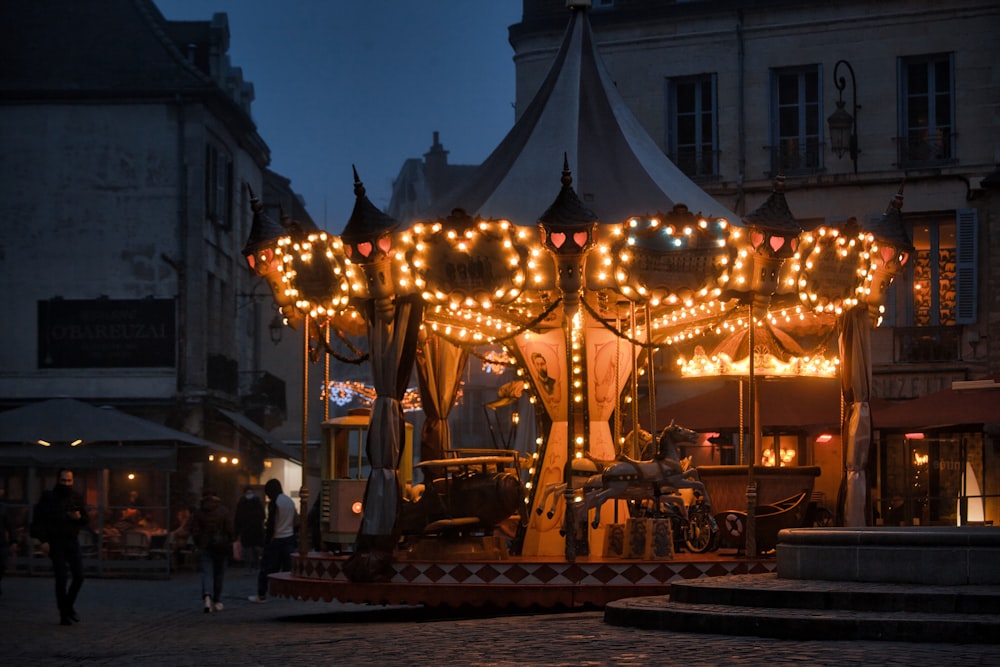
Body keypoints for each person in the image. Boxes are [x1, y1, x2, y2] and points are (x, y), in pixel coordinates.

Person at [32, 468, 89, 625]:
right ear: (58, 480)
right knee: (61, 577)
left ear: (72, 481)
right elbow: (38, 520)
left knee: (79, 576)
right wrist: (43, 540)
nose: (66, 483)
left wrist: (78, 517)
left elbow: (85, 519)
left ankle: (68, 606)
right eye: (63, 480)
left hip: (71, 540)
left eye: (69, 480)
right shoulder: (49, 497)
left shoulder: (76, 497)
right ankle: (64, 614)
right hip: (55, 542)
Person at [248, 479, 297, 603]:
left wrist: (266, 540)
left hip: (276, 538)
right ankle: (290, 592)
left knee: (267, 568)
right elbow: (296, 521)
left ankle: (262, 594)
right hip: (289, 537)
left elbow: (271, 523)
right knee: (288, 569)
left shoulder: (274, 502)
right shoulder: (289, 501)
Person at [189, 489, 233, 613]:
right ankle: (217, 601)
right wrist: (230, 540)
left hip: (204, 546)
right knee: (219, 574)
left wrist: (199, 542)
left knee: (206, 573)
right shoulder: (223, 511)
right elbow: (229, 529)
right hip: (221, 546)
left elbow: (194, 529)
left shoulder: (199, 512)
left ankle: (207, 597)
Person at [233, 486, 265, 574]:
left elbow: (237, 518)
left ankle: (251, 567)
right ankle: (254, 566)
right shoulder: (256, 502)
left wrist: (237, 532)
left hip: (249, 530)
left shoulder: (242, 503)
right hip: (253, 529)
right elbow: (262, 515)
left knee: (251, 550)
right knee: (252, 550)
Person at [0, 488, 12, 597]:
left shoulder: (2, 507)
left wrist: (13, 539)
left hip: (1, 541)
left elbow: (8, 523)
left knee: (2, 564)